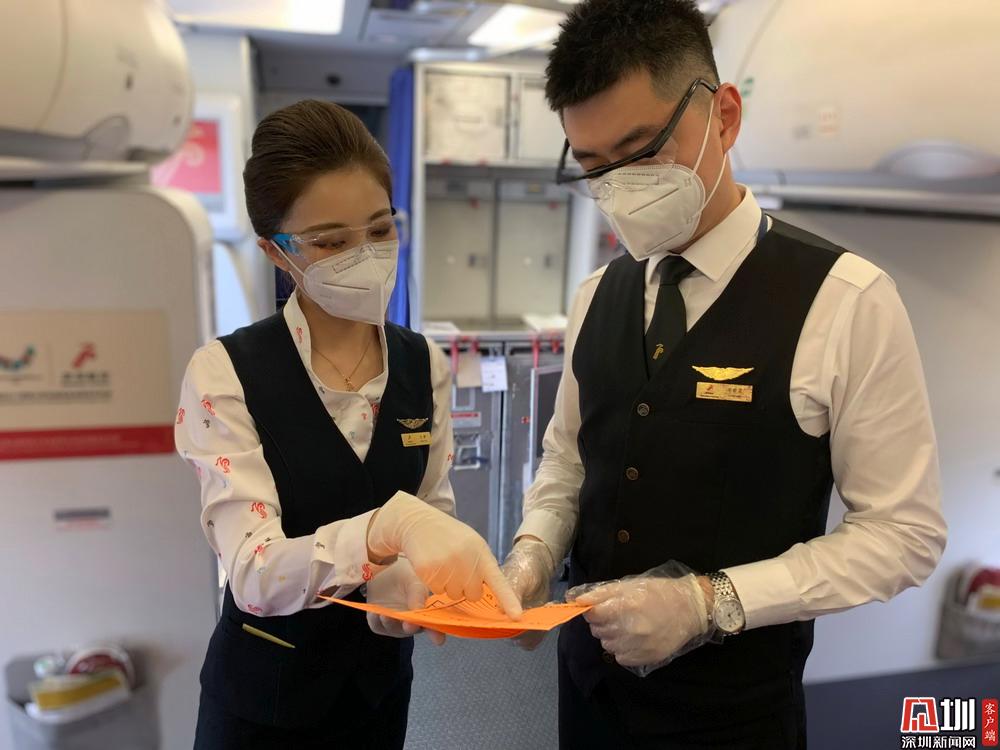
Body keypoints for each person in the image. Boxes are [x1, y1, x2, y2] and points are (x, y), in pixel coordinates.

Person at [500, 1, 947, 747]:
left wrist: (712, 602)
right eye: (594, 167)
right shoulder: (595, 294)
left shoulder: (847, 301)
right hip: (588, 692)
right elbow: (569, 458)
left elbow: (904, 534)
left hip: (734, 717)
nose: (620, 186)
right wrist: (533, 552)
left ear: (724, 116)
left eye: (643, 151)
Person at [175, 99, 520, 750]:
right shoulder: (225, 374)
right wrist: (383, 532)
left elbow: (432, 511)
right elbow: (252, 571)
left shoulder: (423, 365)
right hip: (265, 703)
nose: (365, 256)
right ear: (275, 252)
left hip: (378, 691)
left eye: (381, 229)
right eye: (332, 242)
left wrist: (413, 580)